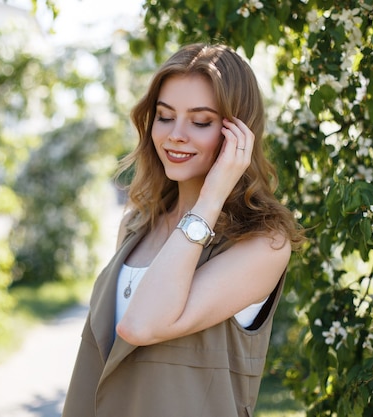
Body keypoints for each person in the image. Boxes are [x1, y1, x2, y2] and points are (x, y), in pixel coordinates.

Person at [62, 43, 304, 417]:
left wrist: (210, 200)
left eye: (201, 121)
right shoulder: (137, 223)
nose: (176, 134)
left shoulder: (264, 244)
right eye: (164, 116)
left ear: (237, 134)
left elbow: (141, 325)